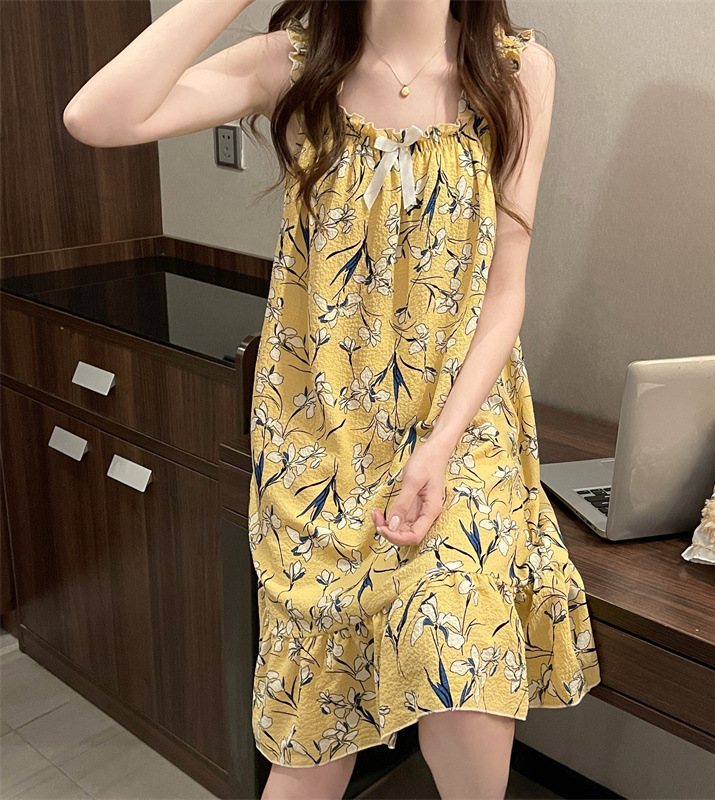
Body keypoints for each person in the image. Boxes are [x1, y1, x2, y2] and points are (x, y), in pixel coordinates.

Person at [64, 1, 601, 798]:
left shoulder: (516, 73)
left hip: (459, 423)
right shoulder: (294, 61)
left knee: (459, 655)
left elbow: (505, 290)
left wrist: (441, 445)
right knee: (313, 720)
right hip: (320, 436)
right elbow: (97, 117)